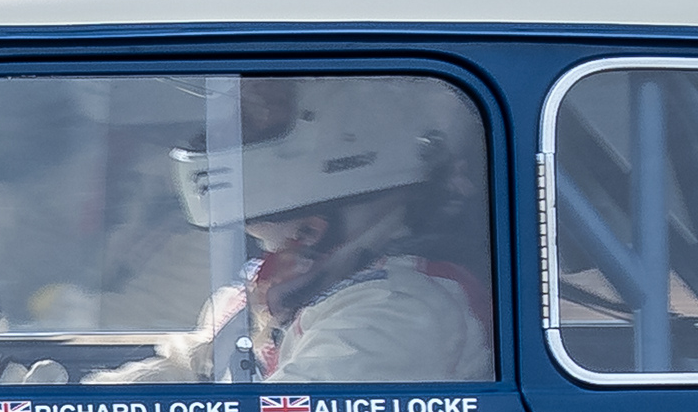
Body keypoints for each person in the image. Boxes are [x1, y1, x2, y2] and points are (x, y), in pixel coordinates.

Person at [104, 78, 492, 383]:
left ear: (347, 138)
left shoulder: (395, 313)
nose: (226, 131)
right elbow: (191, 368)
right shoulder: (275, 286)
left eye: (258, 114)